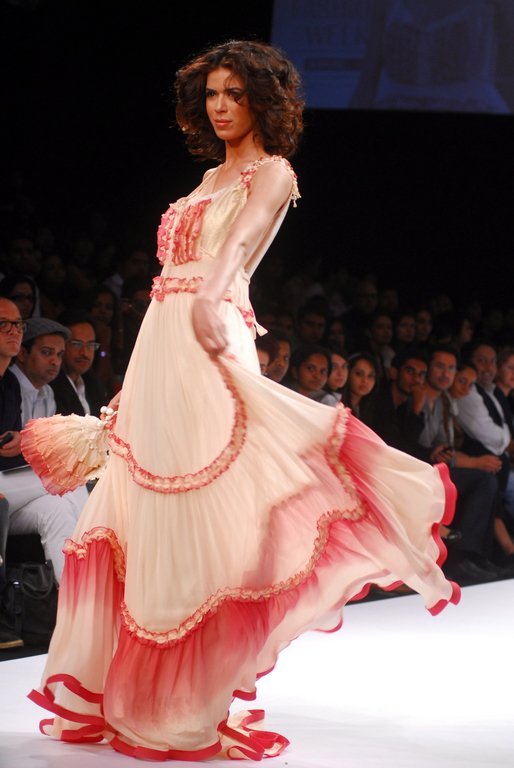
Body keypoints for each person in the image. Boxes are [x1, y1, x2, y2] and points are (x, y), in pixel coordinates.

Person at [26, 39, 459, 761]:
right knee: (147, 504)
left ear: (263, 99)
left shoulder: (273, 171)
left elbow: (243, 242)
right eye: (212, 94)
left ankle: (189, 700)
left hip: (211, 327)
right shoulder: (205, 177)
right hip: (163, 338)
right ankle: (130, 693)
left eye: (235, 93)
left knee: (202, 506)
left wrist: (212, 292)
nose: (220, 106)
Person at [50, 310, 108, 417]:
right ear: (61, 345)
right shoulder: (50, 386)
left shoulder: (94, 384)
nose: (84, 353)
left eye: (90, 345)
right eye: (77, 344)